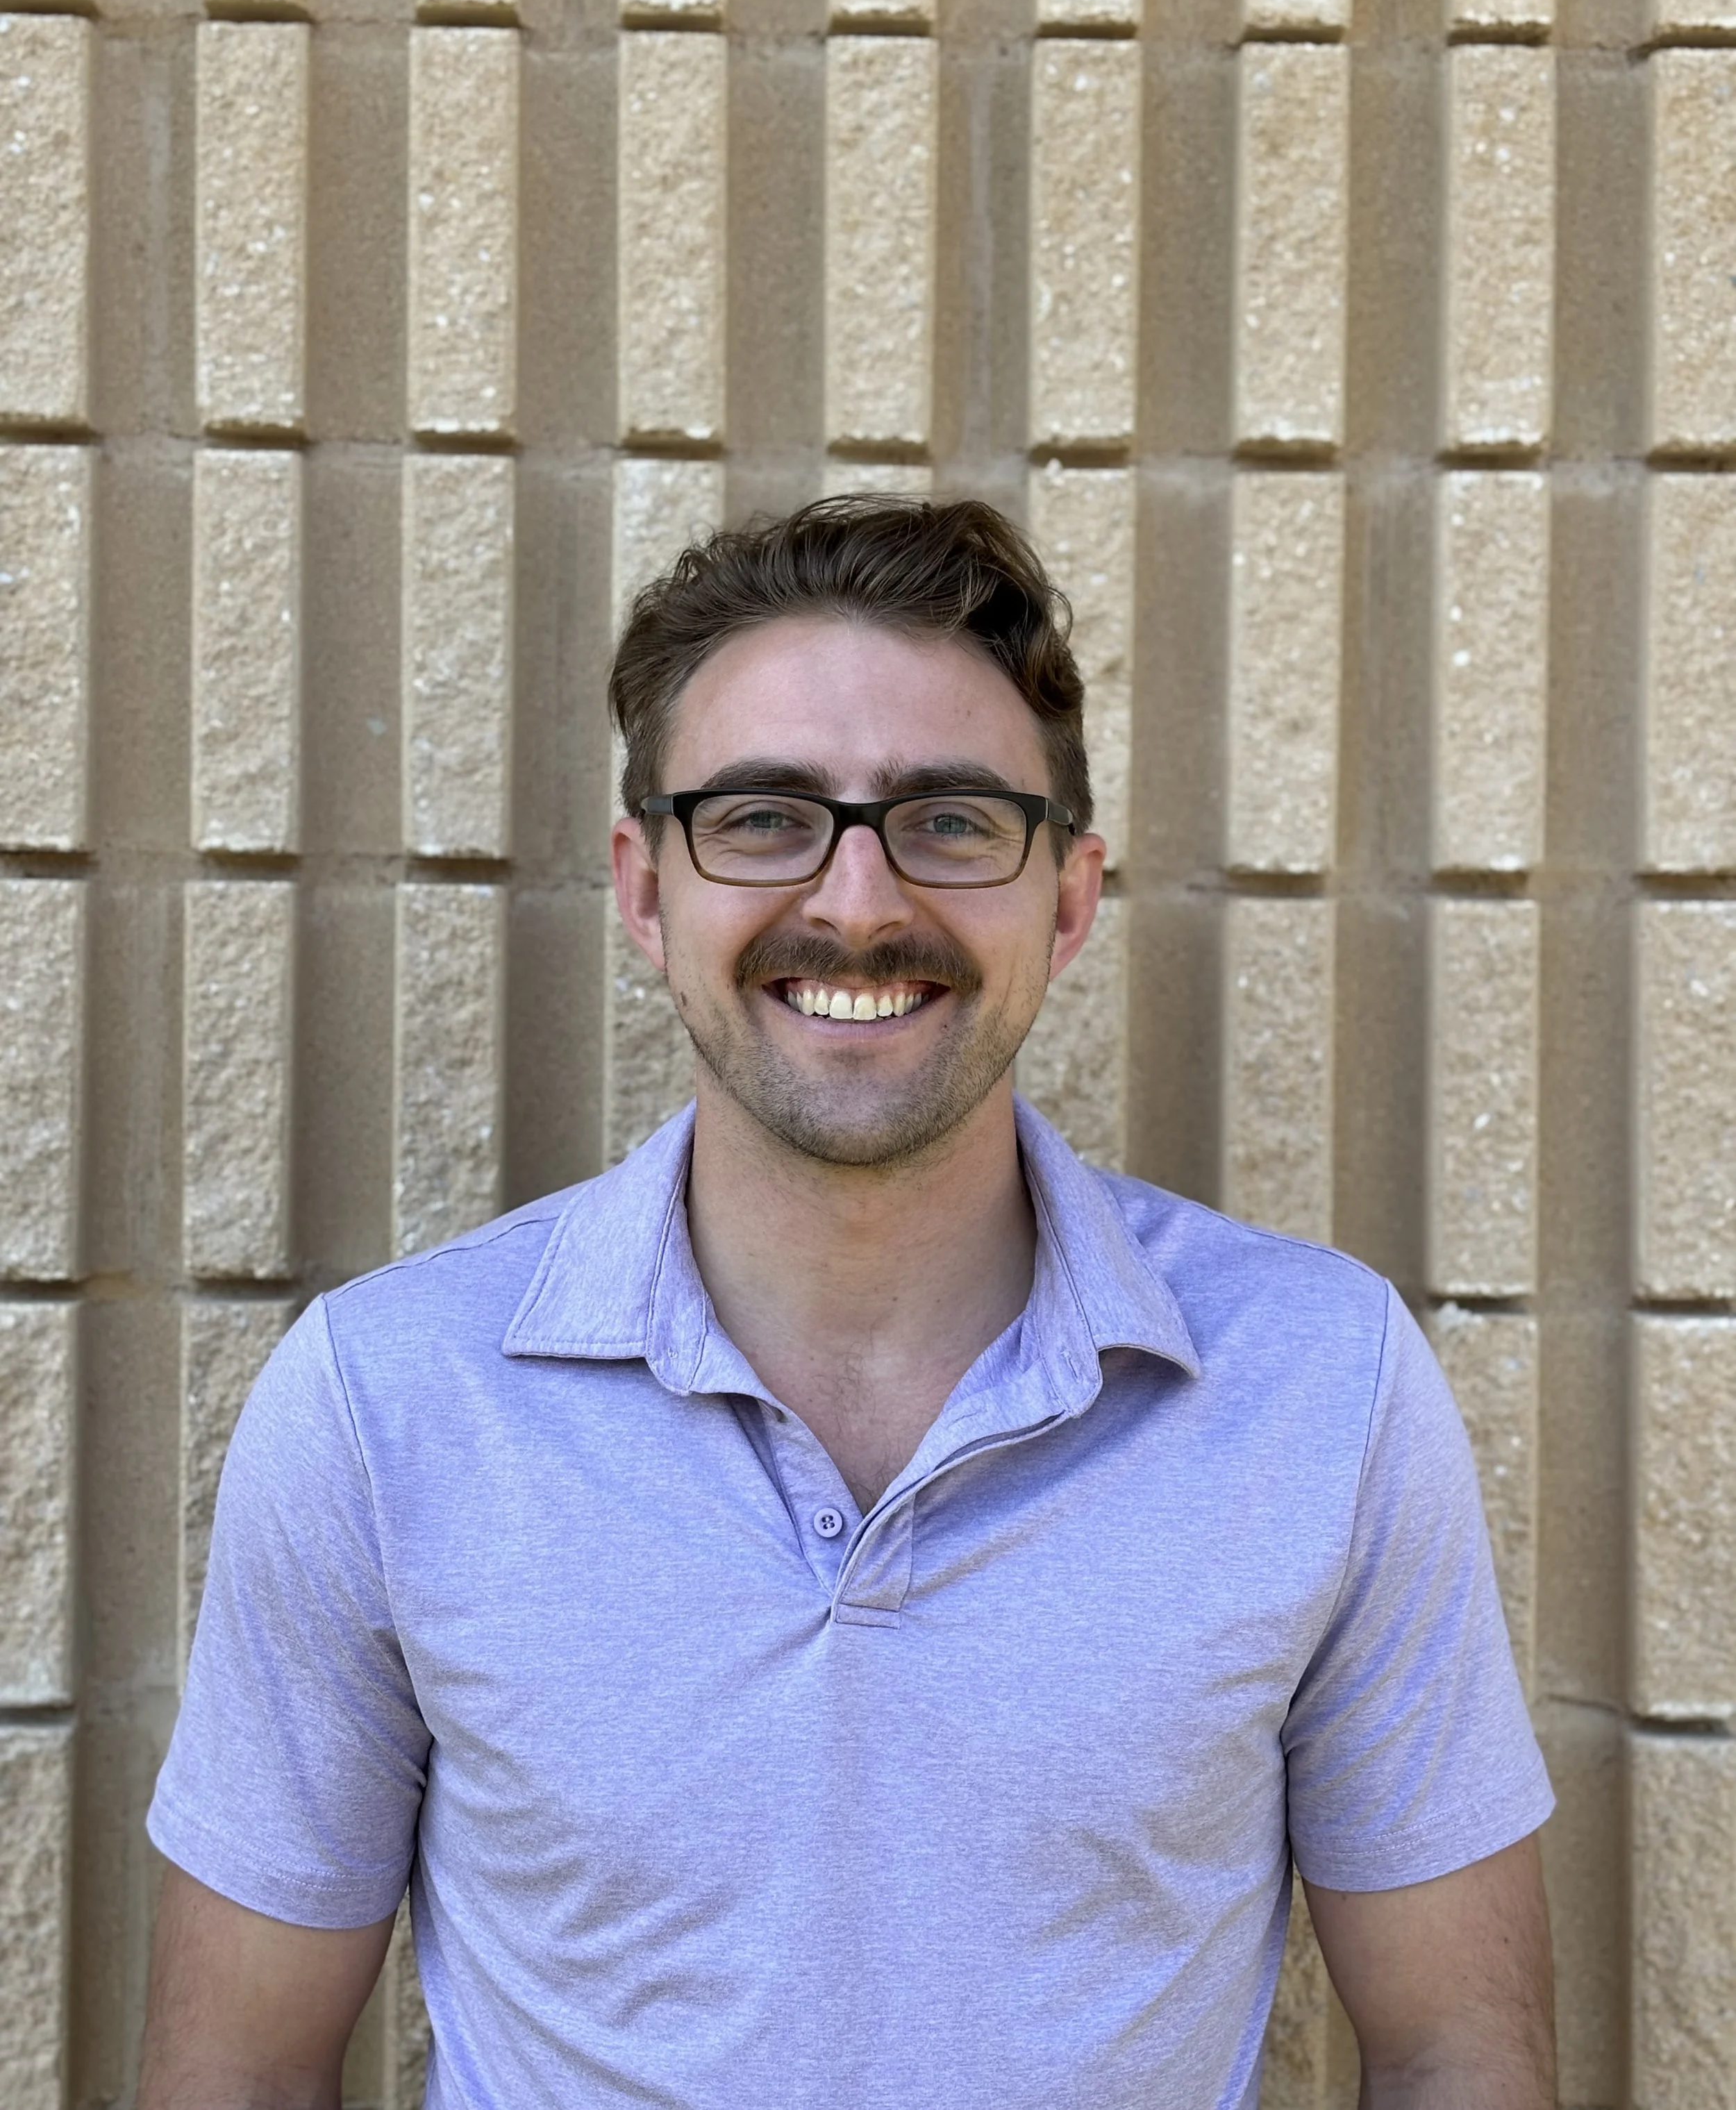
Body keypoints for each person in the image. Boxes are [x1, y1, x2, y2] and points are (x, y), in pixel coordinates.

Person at [139, 497, 1556, 2109]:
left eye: (950, 820)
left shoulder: (1323, 1385)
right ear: (643, 887)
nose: (860, 903)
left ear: (1070, 896)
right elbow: (236, 2071)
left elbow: (1455, 2049)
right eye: (760, 816)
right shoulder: (383, 1402)